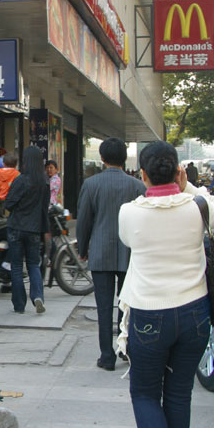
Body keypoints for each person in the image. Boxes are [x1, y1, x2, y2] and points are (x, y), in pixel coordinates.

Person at [117, 141, 214, 428]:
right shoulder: (198, 208)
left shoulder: (130, 213)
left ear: (142, 174)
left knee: (145, 393)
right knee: (179, 393)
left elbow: (128, 241)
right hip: (195, 313)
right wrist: (190, 187)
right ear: (179, 172)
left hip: (149, 316)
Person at [76, 137, 146, 370]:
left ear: (102, 158)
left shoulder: (91, 184)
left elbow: (84, 220)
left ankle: (107, 357)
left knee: (103, 306)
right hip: (130, 253)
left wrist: (83, 248)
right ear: (124, 159)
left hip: (100, 252)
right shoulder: (137, 186)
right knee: (127, 305)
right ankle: (125, 349)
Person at [4, 146, 49, 314]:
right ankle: (38, 296)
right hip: (34, 229)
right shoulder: (44, 181)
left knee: (16, 266)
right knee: (33, 264)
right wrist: (45, 230)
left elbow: (9, 203)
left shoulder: (20, 180)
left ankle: (19, 305)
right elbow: (45, 209)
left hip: (16, 227)